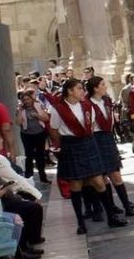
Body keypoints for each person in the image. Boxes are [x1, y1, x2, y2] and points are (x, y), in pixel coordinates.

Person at [45, 77, 128, 234]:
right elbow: (54, 130)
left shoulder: (87, 105)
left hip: (88, 144)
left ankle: (111, 216)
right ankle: (80, 222)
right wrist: (65, 144)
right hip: (71, 145)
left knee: (99, 182)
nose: (83, 91)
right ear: (70, 91)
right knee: (76, 185)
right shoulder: (57, 109)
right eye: (79, 88)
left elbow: (91, 123)